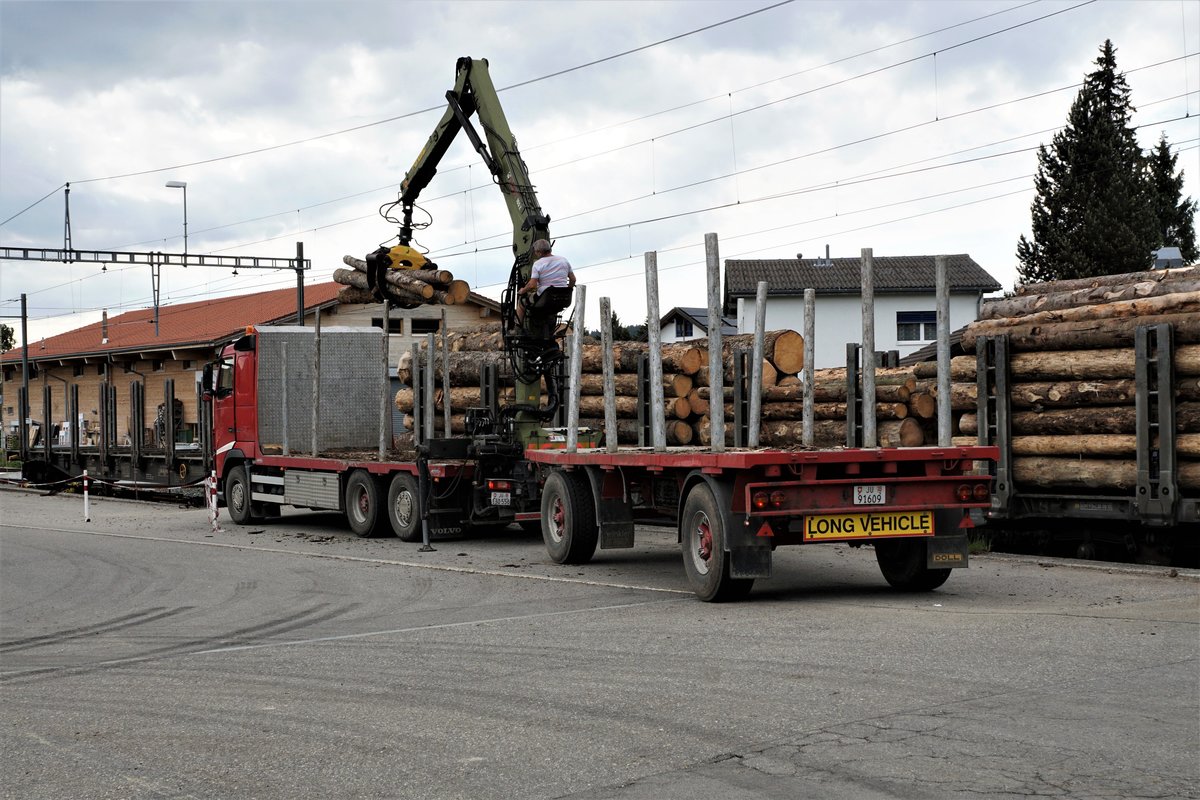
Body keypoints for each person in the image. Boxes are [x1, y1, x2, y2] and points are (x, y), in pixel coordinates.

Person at [514, 239, 575, 327]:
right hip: (564, 299)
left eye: (535, 251)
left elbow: (532, 285)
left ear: (539, 252)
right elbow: (573, 279)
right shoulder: (564, 260)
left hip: (545, 298)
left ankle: (517, 327)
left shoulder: (538, 264)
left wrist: (523, 291)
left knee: (522, 302)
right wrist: (568, 290)